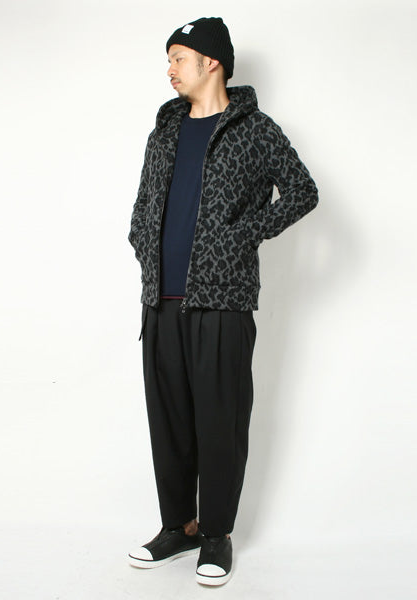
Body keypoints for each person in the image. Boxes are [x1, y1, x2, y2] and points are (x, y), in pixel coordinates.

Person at [127, 16, 319, 586]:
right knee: (169, 423)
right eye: (168, 59)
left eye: (178, 58)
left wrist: (244, 234)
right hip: (160, 302)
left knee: (219, 423)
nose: (169, 69)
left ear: (211, 61)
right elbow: (142, 206)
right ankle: (178, 526)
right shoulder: (164, 130)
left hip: (223, 302)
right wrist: (143, 246)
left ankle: (216, 535)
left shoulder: (255, 130)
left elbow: (303, 191)